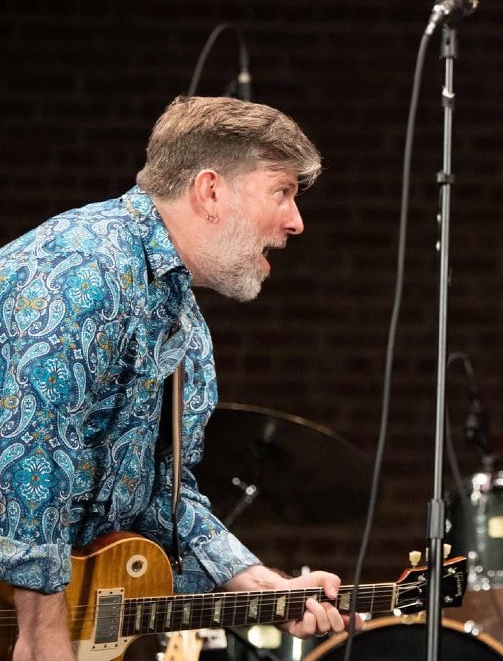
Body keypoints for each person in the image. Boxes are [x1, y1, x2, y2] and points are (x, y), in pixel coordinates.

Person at [0, 96, 350, 660]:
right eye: (282, 192)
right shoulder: (83, 266)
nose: (295, 221)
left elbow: (161, 492)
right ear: (211, 191)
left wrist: (259, 583)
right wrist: (41, 633)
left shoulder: (181, 320)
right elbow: (27, 451)